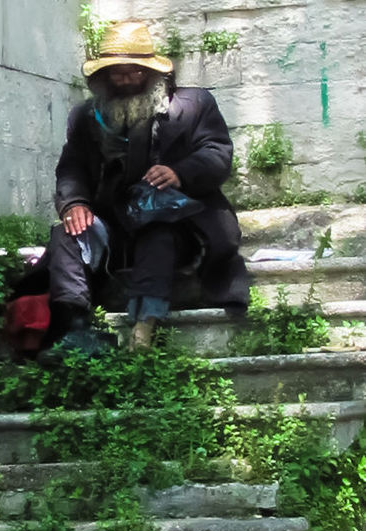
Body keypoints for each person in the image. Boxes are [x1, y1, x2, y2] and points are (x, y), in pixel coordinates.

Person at [47, 19, 251, 353]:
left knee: (157, 233)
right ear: (103, 77)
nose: (126, 80)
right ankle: (75, 327)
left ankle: (144, 329)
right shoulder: (86, 117)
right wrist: (74, 203)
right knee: (66, 235)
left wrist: (180, 172)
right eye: (117, 73)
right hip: (114, 221)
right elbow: (71, 167)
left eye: (135, 72)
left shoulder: (195, 105)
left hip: (179, 221)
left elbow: (217, 154)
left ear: (154, 73)